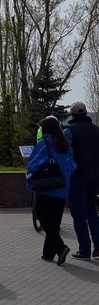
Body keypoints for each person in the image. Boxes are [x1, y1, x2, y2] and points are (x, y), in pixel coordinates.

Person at [27, 115, 77, 265]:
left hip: (46, 188)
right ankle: (48, 254)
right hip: (61, 188)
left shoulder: (44, 143)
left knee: (45, 220)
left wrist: (30, 183)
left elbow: (33, 164)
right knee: (54, 221)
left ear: (45, 129)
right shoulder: (65, 144)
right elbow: (73, 166)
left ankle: (61, 248)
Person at [63, 102, 99, 260]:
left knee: (78, 214)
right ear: (85, 113)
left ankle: (84, 250)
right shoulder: (97, 131)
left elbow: (63, 153)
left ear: (72, 115)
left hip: (77, 178)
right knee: (92, 212)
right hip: (95, 178)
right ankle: (98, 247)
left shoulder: (69, 132)